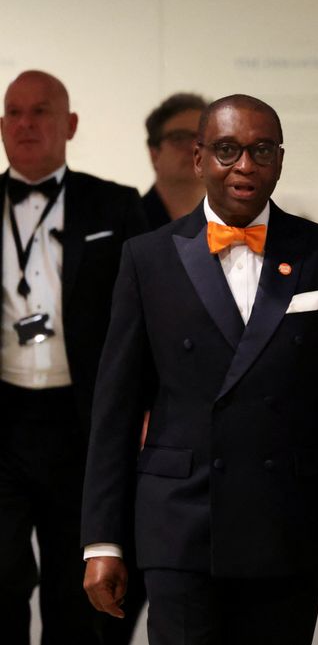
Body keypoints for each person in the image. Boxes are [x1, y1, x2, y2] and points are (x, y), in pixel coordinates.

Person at [80, 94, 318, 645]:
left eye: (261, 150)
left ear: (280, 160)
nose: (245, 165)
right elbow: (115, 409)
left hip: (286, 522)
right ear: (199, 159)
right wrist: (102, 540)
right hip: (180, 523)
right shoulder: (146, 259)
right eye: (227, 150)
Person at [0, 70, 146, 645]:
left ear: (70, 124)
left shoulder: (114, 205)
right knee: (1, 575)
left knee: (76, 585)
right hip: (4, 421)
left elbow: (144, 318)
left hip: (83, 423)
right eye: (13, 112)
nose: (26, 124)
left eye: (40, 111)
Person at [142, 92, 208, 228]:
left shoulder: (243, 226)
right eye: (179, 138)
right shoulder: (127, 226)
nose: (194, 147)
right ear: (154, 154)